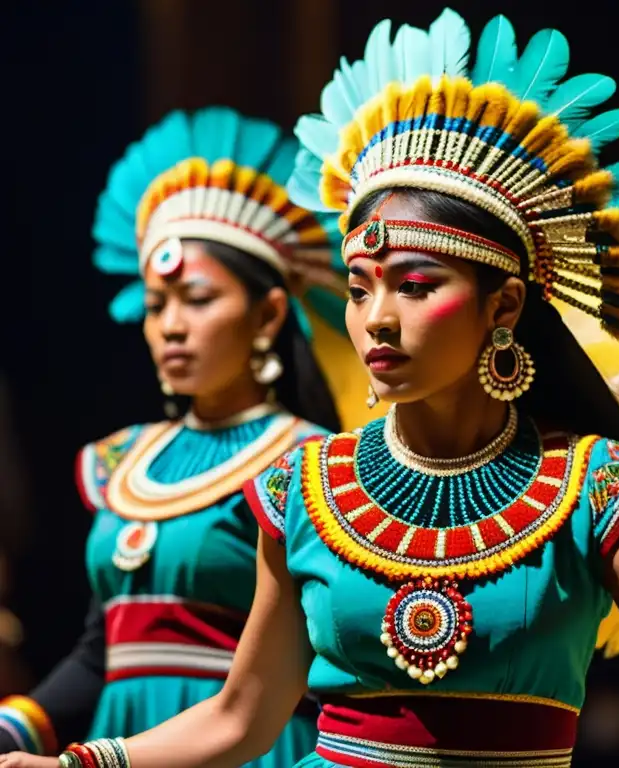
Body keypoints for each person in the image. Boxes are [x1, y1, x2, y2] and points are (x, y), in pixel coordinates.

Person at [4, 10, 619, 768]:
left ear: (502, 307)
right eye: (361, 289)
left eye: (416, 285)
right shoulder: (302, 494)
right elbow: (241, 718)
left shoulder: (596, 492)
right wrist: (74, 764)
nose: (377, 320)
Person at [0, 106, 369, 765]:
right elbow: (102, 652)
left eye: (197, 300)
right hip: (120, 745)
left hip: (253, 744)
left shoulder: (311, 463)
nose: (171, 325)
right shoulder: (121, 461)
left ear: (267, 314)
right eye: (155, 304)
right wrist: (15, 728)